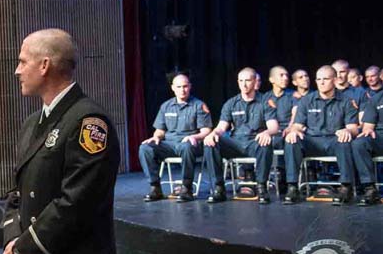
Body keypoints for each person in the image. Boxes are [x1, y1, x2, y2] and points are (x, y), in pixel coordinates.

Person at [2, 29, 121, 254]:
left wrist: (24, 252)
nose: (16, 70)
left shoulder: (88, 122)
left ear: (45, 65)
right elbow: (16, 195)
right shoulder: (31, 124)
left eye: (22, 61)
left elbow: (76, 204)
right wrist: (14, 247)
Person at [283, 65, 359, 205]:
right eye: (318, 79)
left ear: (335, 80)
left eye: (325, 79)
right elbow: (297, 125)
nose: (321, 82)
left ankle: (345, 187)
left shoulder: (346, 101)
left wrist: (347, 131)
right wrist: (294, 131)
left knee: (345, 141)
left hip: (334, 140)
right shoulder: (306, 100)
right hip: (312, 140)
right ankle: (292, 187)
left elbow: (353, 128)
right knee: (291, 141)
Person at [203, 67, 279, 204]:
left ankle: (262, 187)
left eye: (248, 80)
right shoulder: (231, 103)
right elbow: (221, 127)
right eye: (241, 81)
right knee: (211, 143)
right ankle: (218, 188)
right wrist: (213, 133)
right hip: (235, 143)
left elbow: (274, 126)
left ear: (255, 81)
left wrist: (267, 132)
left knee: (266, 142)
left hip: (254, 142)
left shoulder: (265, 102)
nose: (244, 84)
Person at [138, 74, 212, 202]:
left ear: (190, 87)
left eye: (185, 86)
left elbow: (206, 131)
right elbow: (160, 131)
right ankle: (155, 188)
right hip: (170, 144)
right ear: (173, 88)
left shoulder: (199, 105)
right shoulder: (166, 106)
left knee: (186, 146)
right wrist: (155, 137)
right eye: (179, 87)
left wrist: (193, 136)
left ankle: (186, 188)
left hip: (192, 144)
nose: (182, 90)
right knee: (145, 148)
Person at [351, 87, 383, 205]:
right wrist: (368, 129)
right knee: (359, 143)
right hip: (380, 136)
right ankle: (370, 188)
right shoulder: (376, 99)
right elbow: (368, 126)